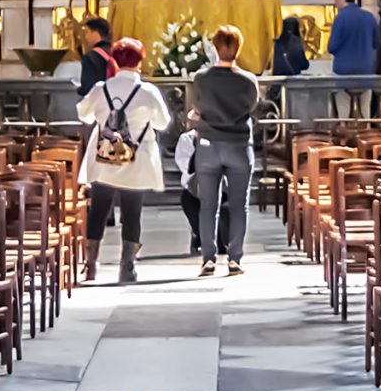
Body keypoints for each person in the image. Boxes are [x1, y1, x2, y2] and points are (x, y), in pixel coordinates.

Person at [76, 38, 171, 286]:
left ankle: (91, 265)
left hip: (104, 157)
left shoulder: (100, 89)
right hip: (136, 159)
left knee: (98, 210)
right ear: (140, 62)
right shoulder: (148, 92)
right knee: (132, 212)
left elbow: (83, 115)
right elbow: (162, 122)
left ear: (115, 62)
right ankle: (127, 266)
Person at [183, 25, 261, 277]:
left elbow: (198, 107)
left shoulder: (202, 79)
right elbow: (251, 107)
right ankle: (235, 259)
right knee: (239, 205)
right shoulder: (248, 80)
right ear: (239, 48)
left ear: (215, 48)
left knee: (208, 205)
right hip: (238, 145)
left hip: (209, 145)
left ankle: (208, 259)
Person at [328, 0, 378, 77]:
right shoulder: (369, 16)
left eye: (335, 0)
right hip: (367, 68)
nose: (335, 4)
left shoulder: (340, 18)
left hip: (344, 70)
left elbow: (332, 47)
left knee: (344, 92)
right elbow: (377, 42)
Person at [76, 16, 118, 99]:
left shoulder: (91, 56)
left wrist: (79, 90)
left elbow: (88, 87)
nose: (86, 37)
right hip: (118, 100)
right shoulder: (118, 53)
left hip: (100, 103)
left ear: (96, 34)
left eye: (87, 32)